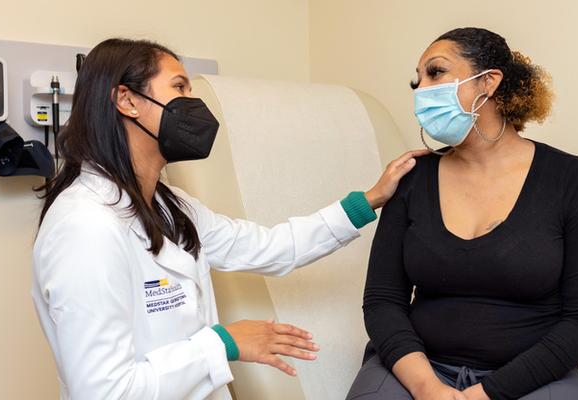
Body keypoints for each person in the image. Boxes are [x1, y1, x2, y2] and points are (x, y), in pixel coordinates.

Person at [32, 38, 426, 400]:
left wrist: (369, 200)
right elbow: (103, 393)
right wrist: (224, 343)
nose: (193, 103)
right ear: (127, 100)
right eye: (180, 88)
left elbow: (271, 247)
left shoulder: (171, 206)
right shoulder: (85, 227)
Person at [347, 27, 578, 400]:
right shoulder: (411, 179)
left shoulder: (570, 178)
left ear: (488, 82)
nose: (421, 90)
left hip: (532, 377)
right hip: (419, 371)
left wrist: (486, 394)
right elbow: (382, 302)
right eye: (417, 80)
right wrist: (427, 388)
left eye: (435, 73)